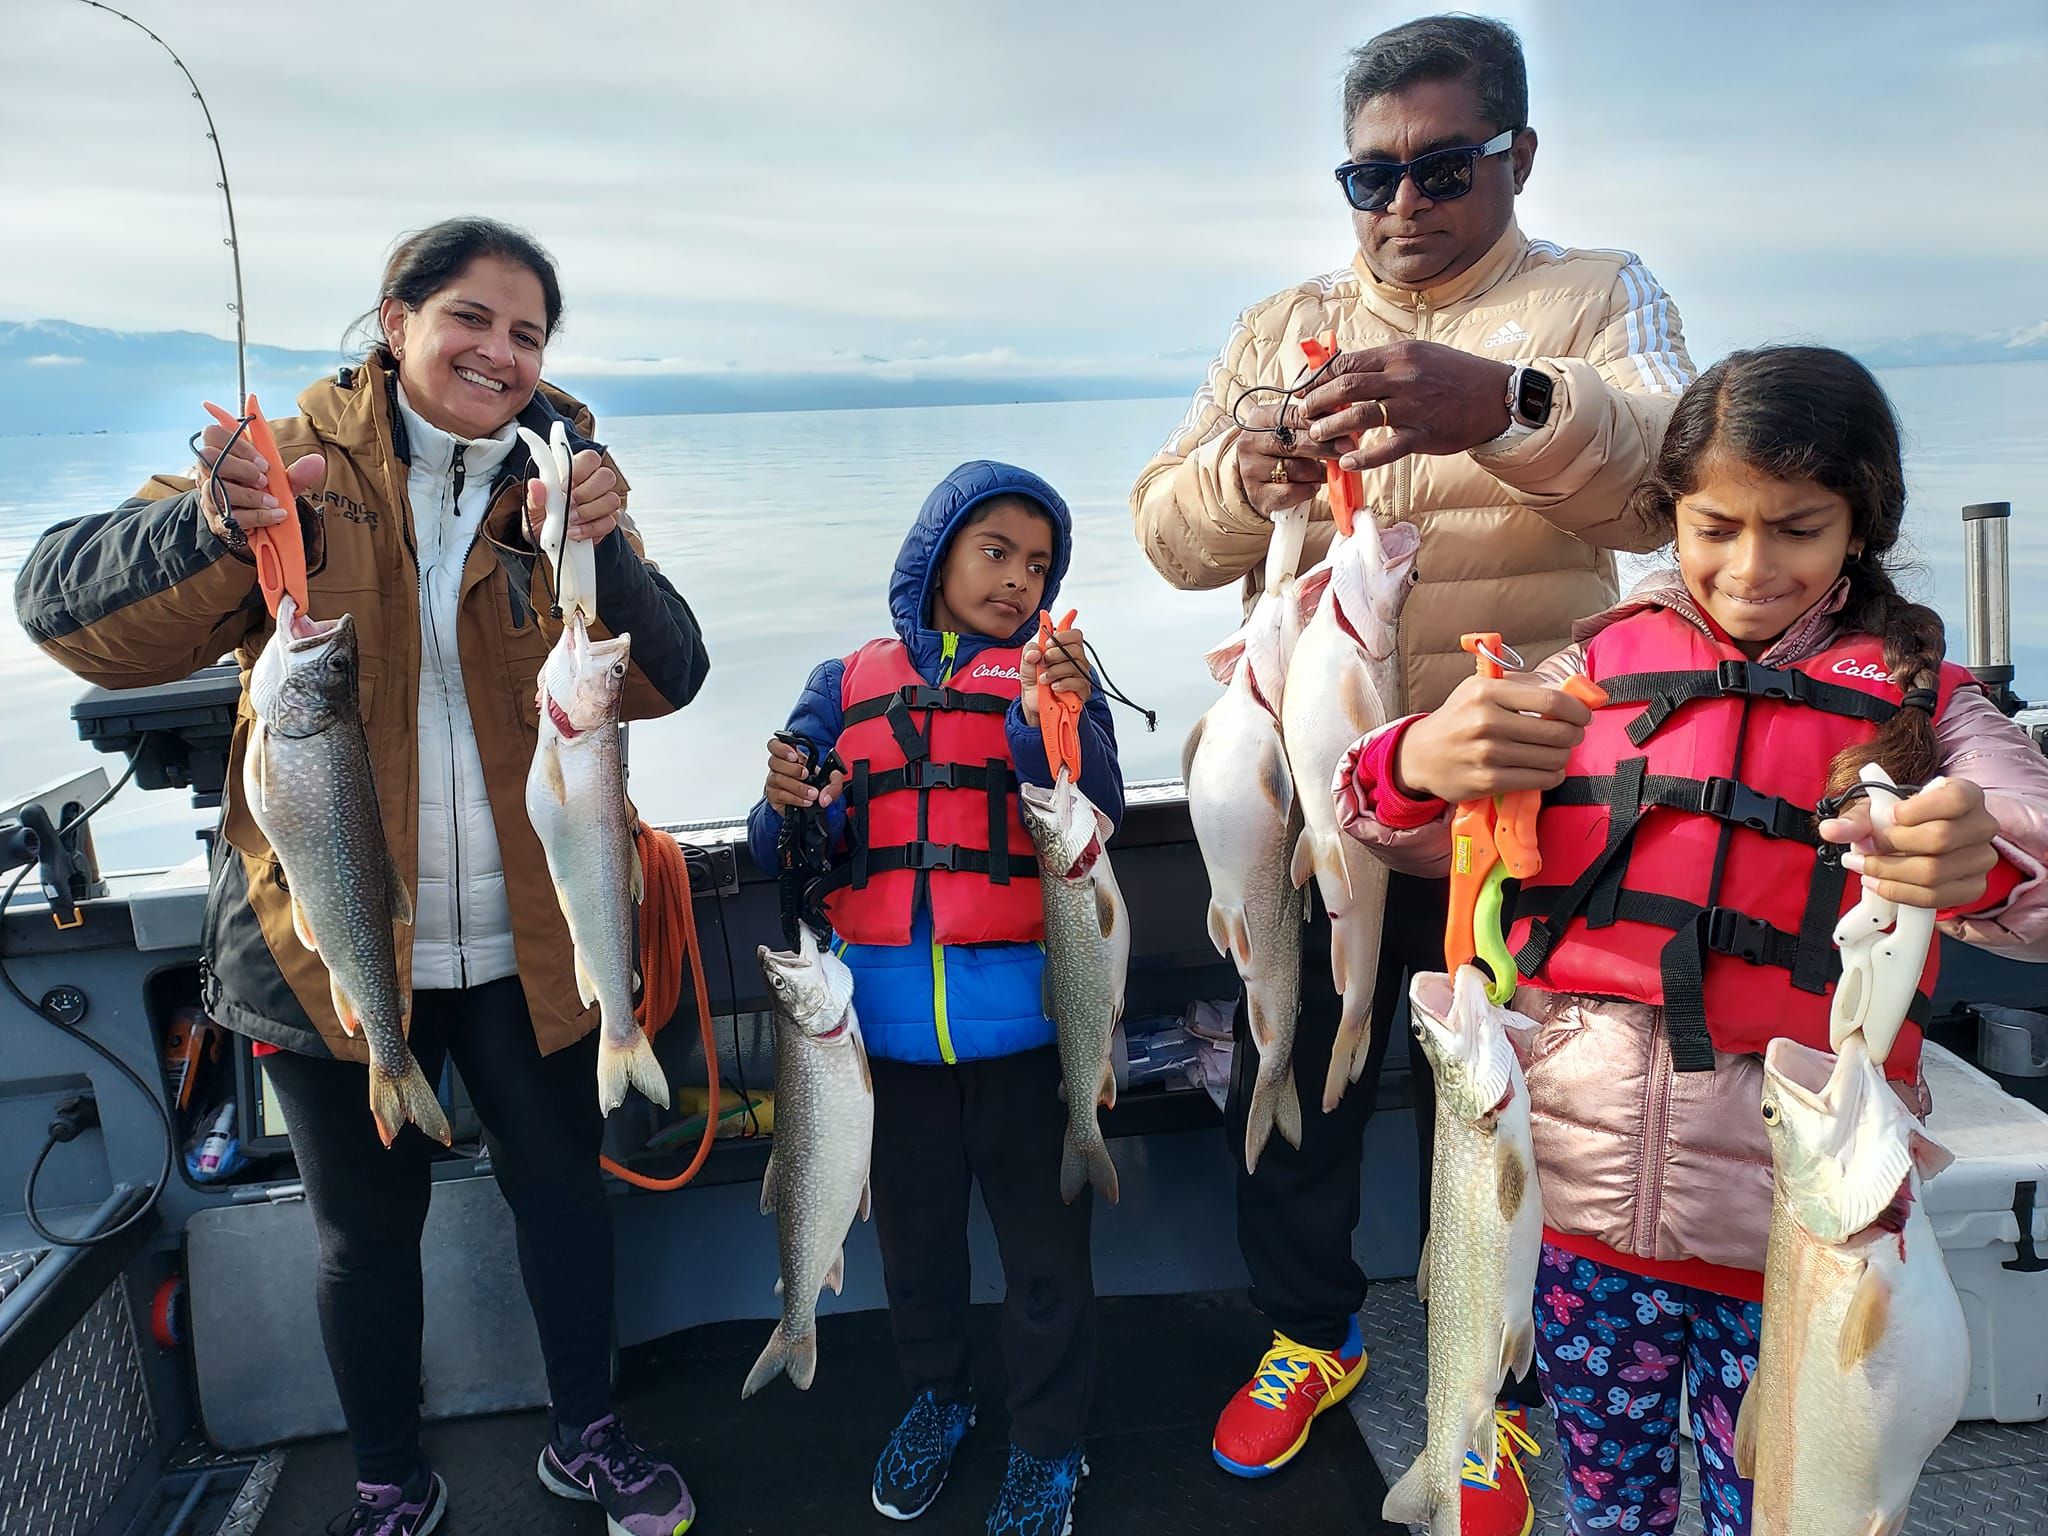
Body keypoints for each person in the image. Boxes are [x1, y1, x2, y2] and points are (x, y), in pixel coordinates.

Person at [15, 217, 708, 1536]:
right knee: (361, 1240)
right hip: (320, 953)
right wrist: (214, 530)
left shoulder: (555, 492)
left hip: (534, 948)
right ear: (395, 322)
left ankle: (591, 1437)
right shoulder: (287, 472)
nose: (498, 353)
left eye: (526, 333)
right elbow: (61, 609)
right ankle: (389, 1481)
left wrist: (605, 545)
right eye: (469, 318)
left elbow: (672, 677)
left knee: (567, 1205)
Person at [1128, 15, 1692, 1527]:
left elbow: (1664, 482)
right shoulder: (1280, 322)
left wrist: (1502, 405)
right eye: (1368, 174)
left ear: (1517, 153)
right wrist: (1235, 484)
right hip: (1325, 800)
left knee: (1516, 1111)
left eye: (1442, 166)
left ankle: (1494, 1397)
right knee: (1296, 1062)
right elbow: (1169, 535)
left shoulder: (1593, 299)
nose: (1401, 203)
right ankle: (1309, 1334)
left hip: (1534, 797)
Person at [1338, 344, 2048, 1534]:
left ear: (1858, 528)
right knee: (1608, 1498)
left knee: (1773, 1504)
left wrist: (1986, 855)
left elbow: (2026, 843)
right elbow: (1390, 828)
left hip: (1802, 1244)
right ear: (1669, 515)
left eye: (1798, 529)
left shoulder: (1934, 705)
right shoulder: (1590, 675)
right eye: (1714, 526)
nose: (1750, 566)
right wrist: (1411, 760)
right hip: (1573, 1218)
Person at [747, 462, 1122, 1536]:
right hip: (882, 1054)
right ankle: (937, 1400)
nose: (1015, 578)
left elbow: (1088, 807)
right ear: (935, 555)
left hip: (1027, 1041)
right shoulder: (841, 680)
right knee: (915, 1257)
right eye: (993, 551)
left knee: (1046, 1267)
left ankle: (1049, 1446)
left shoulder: (1054, 679)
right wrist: (790, 801)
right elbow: (783, 848)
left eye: (1038, 564)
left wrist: (1046, 710)